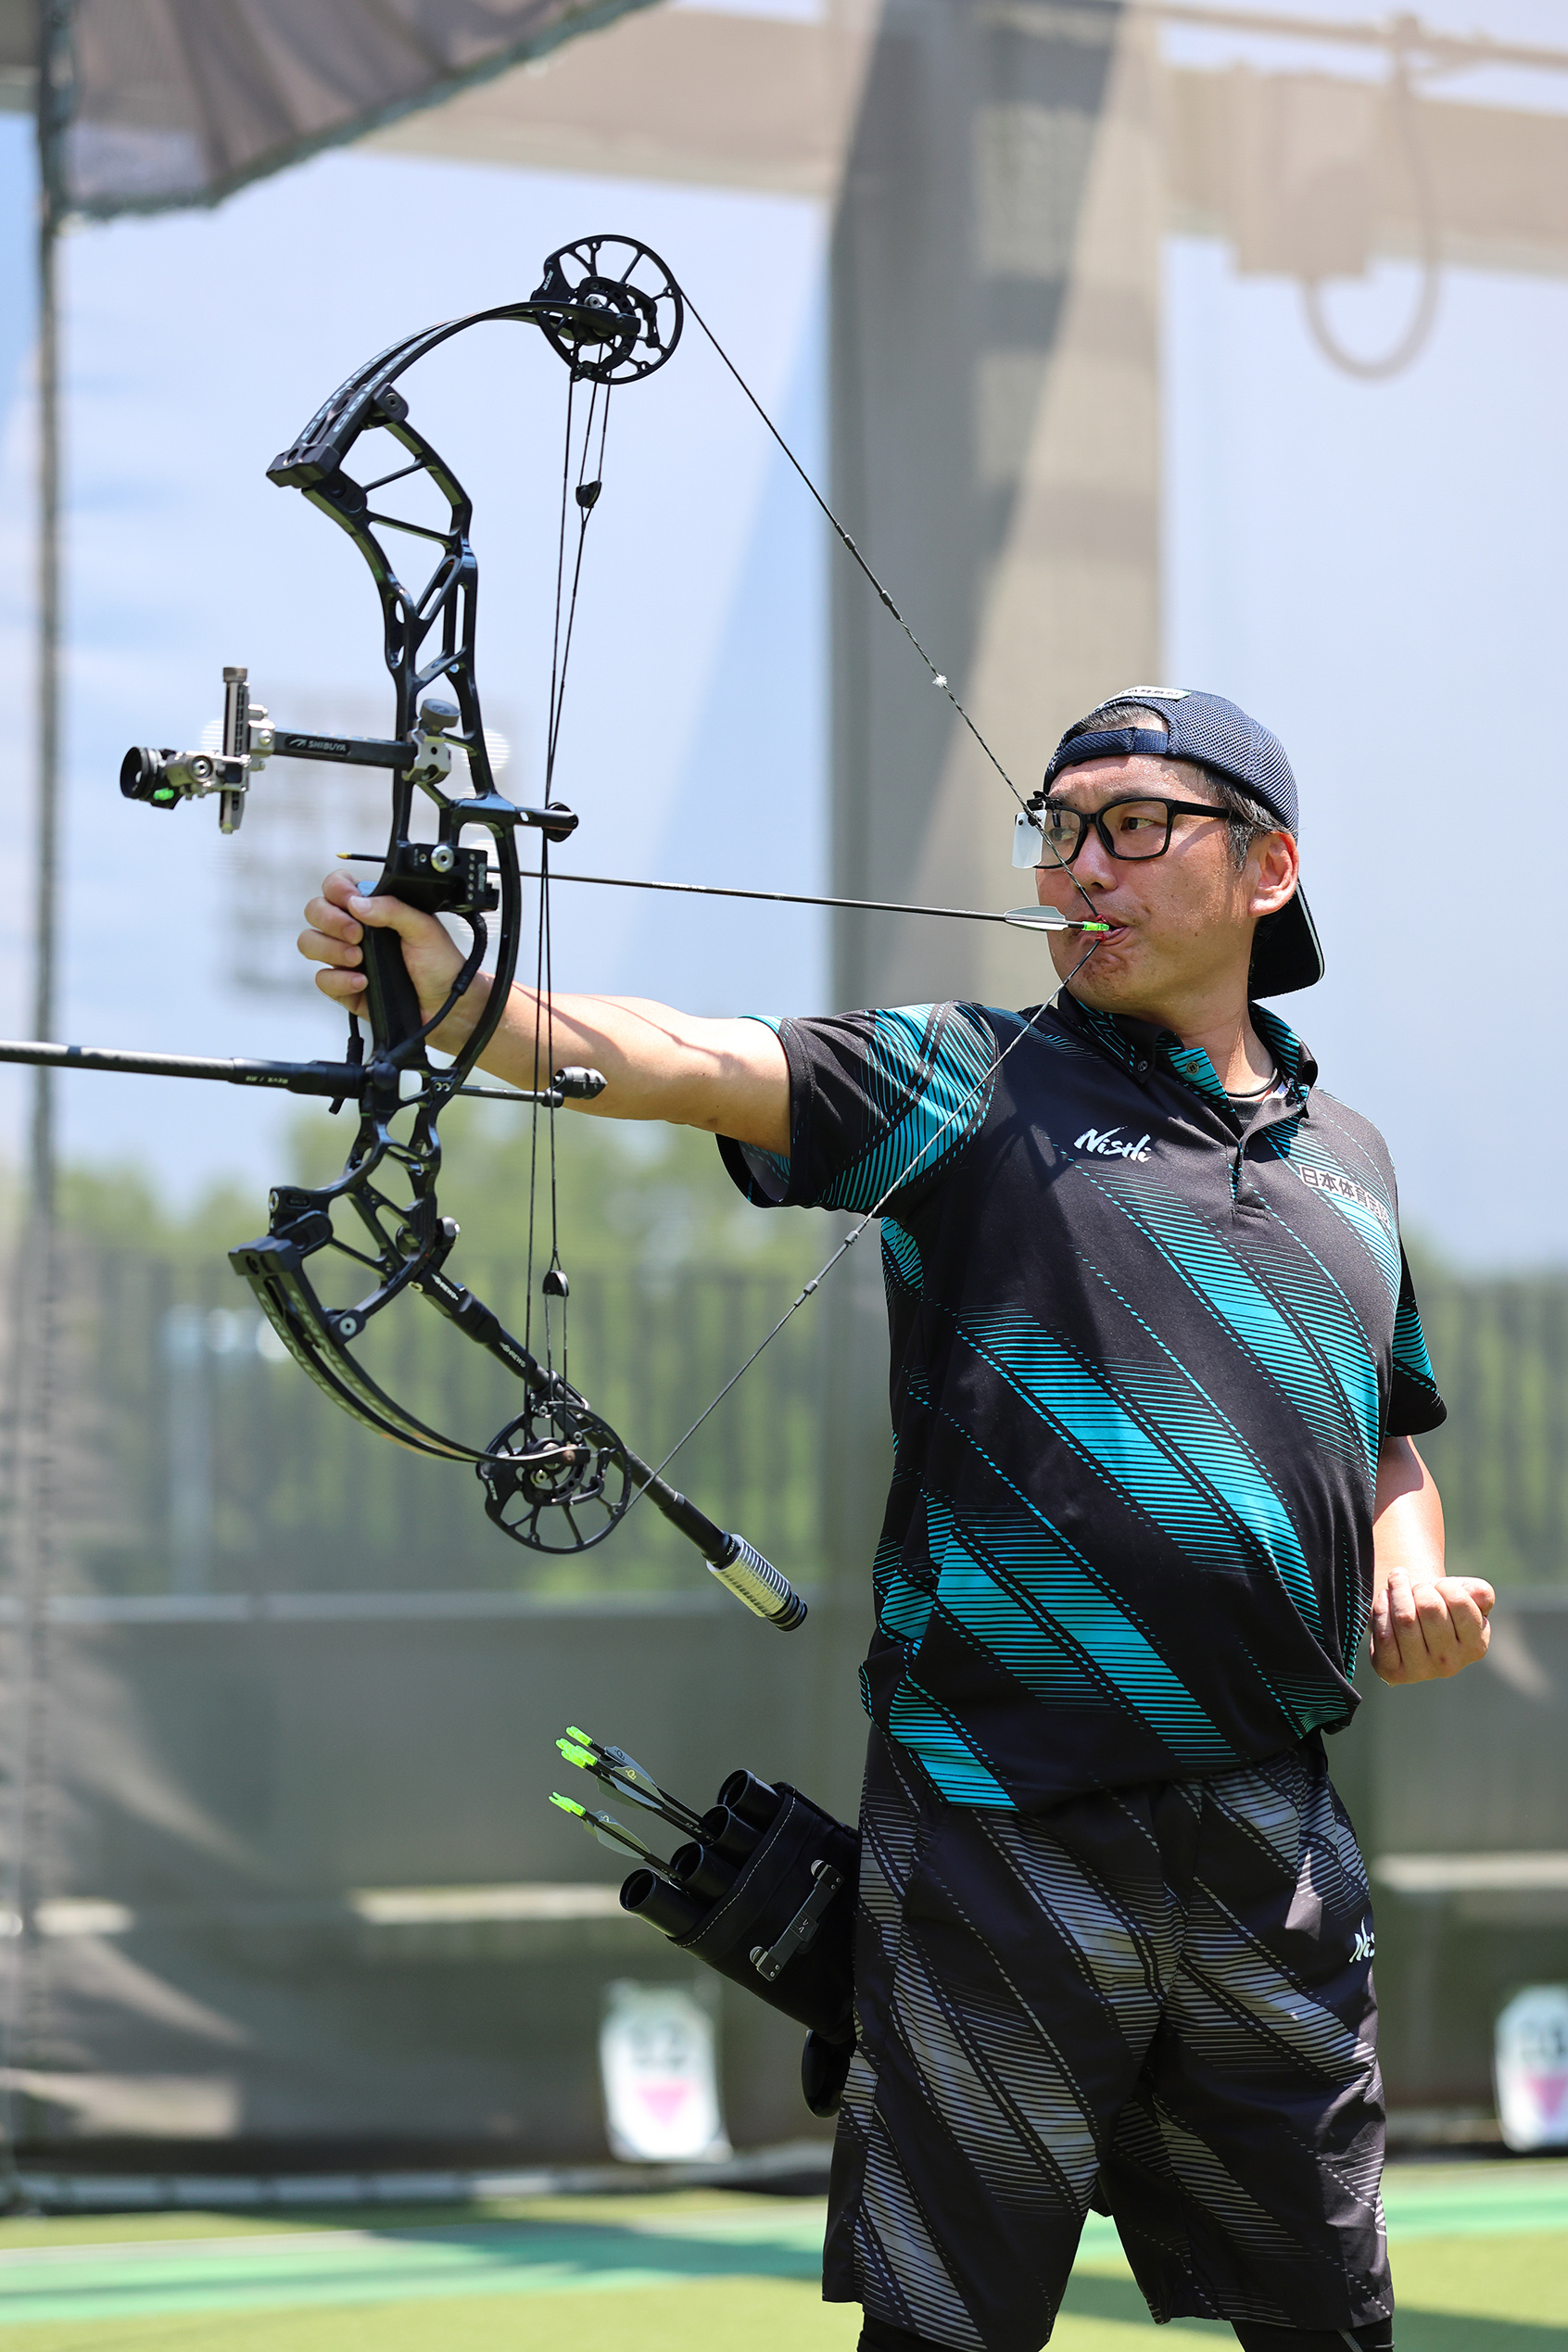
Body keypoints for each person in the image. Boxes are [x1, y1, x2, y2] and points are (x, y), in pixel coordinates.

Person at [299, 689, 1493, 2352]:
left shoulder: (1348, 1159)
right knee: (946, 2328)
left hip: (1269, 1834)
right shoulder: (972, 1078)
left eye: (1132, 826)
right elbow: (683, 1060)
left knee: (1332, 2320)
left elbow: (1388, 1441)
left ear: (1268, 867)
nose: (1080, 867)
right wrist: (460, 999)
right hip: (1000, 1814)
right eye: (1058, 831)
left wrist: (1410, 1571)